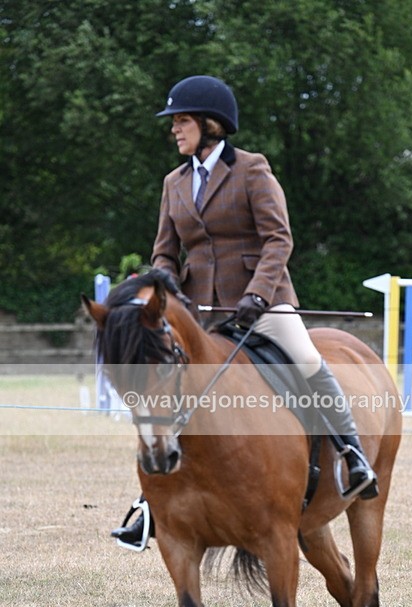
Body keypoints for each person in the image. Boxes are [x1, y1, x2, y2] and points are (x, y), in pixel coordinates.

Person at [113, 75, 377, 546]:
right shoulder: (174, 183)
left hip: (263, 301)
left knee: (306, 360)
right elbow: (164, 253)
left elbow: (279, 239)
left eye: (182, 121)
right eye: (174, 122)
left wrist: (257, 295)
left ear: (211, 124)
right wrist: (168, 294)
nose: (174, 129)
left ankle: (352, 455)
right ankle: (149, 503)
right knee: (167, 388)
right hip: (200, 312)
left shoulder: (252, 170)